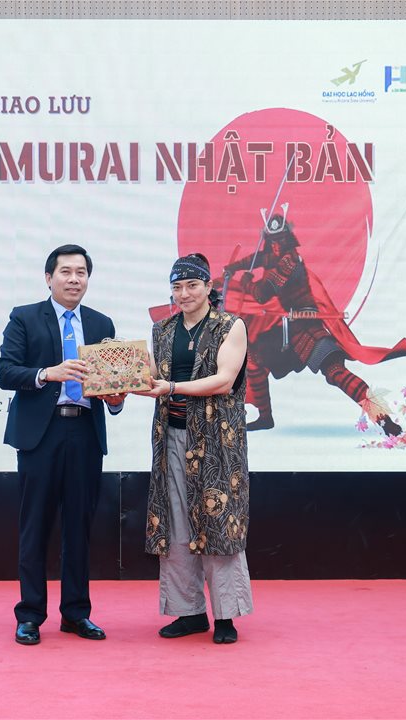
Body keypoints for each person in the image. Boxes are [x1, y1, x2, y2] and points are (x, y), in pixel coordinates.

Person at [0, 244, 125, 646]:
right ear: (49, 278)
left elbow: (112, 385)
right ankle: (30, 615)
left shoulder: (101, 323)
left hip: (85, 432)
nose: (74, 279)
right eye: (66, 272)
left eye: (81, 272)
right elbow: (5, 372)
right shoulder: (24, 317)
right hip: (42, 434)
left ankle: (75, 613)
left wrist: (116, 397)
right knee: (35, 525)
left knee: (79, 526)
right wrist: (47, 373)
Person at [136, 253, 252, 644]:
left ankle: (226, 617)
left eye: (192, 285)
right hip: (172, 435)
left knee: (219, 522)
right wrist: (117, 379)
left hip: (217, 441)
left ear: (208, 287)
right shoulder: (162, 330)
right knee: (175, 524)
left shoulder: (230, 325)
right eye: (177, 287)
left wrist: (171, 387)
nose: (184, 293)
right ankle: (189, 613)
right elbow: (151, 378)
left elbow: (224, 380)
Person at [235, 214, 406, 435]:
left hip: (307, 330)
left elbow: (262, 294)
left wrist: (247, 282)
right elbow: (259, 258)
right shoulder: (275, 257)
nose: (276, 246)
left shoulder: (288, 261)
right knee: (253, 357)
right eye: (272, 241)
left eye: (279, 240)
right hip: (288, 332)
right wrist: (234, 267)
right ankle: (265, 417)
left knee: (336, 372)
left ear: (287, 239)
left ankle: (383, 419)